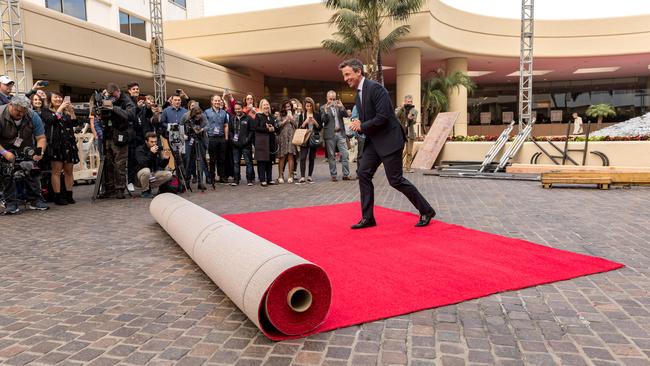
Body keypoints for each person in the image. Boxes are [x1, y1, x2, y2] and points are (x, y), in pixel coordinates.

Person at [340, 58, 435, 228]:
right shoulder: (359, 94)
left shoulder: (376, 89)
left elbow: (383, 117)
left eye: (348, 74)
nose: (346, 78)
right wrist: (358, 125)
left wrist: (362, 125)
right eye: (344, 75)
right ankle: (368, 218)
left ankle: (426, 210)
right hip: (374, 142)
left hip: (390, 141)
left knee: (395, 180)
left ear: (358, 71)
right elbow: (367, 119)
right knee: (363, 173)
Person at [0, 96, 49, 214]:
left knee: (32, 168)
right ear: (10, 105)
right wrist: (5, 153)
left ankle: (35, 200)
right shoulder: (0, 114)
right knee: (7, 172)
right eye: (18, 111)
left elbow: (41, 137)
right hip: (3, 148)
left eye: (24, 111)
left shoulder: (32, 116)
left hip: (25, 147)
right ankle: (10, 203)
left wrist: (39, 152)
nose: (21, 114)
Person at [41, 91, 79, 205]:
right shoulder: (46, 111)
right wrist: (60, 109)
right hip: (57, 145)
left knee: (69, 171)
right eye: (55, 97)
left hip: (69, 144)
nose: (58, 99)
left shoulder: (66, 111)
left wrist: (71, 111)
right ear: (50, 99)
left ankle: (69, 194)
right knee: (56, 171)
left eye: (60, 97)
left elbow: (75, 123)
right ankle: (57, 196)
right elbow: (51, 120)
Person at [99, 82, 136, 199]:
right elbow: (104, 116)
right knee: (108, 163)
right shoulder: (108, 99)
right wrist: (102, 108)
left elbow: (130, 115)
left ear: (118, 91)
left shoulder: (127, 100)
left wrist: (113, 107)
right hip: (108, 135)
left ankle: (120, 189)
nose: (113, 97)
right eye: (110, 95)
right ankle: (109, 189)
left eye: (114, 95)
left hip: (121, 136)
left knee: (120, 164)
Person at [321, 90, 351, 181]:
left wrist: (342, 107)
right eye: (330, 99)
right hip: (330, 134)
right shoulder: (323, 107)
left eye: (334, 99)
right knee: (331, 156)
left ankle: (346, 174)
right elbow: (323, 120)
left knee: (345, 154)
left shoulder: (339, 106)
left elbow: (346, 115)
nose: (332, 101)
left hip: (340, 134)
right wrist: (326, 111)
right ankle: (333, 175)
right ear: (327, 98)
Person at [135, 132, 172, 198]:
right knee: (146, 171)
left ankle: (158, 188)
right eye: (151, 142)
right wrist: (151, 153)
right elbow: (143, 164)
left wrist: (166, 159)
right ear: (146, 141)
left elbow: (161, 165)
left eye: (155, 142)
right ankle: (145, 191)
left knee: (168, 174)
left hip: (152, 175)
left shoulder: (156, 149)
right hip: (139, 178)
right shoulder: (139, 150)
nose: (154, 144)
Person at [181, 105, 208, 191]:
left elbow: (208, 126)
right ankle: (187, 182)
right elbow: (180, 126)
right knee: (188, 160)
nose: (198, 117)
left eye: (199, 115)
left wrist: (202, 129)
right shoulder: (186, 116)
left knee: (200, 161)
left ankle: (201, 182)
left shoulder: (202, 116)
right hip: (189, 140)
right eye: (196, 116)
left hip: (199, 140)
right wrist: (183, 135)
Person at [204, 94, 230, 184]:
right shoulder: (206, 112)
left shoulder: (224, 112)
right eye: (216, 100)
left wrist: (226, 137)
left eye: (219, 100)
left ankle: (222, 176)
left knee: (222, 159)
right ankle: (212, 177)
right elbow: (203, 125)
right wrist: (206, 136)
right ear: (212, 101)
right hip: (211, 138)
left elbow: (226, 125)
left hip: (222, 138)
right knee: (212, 159)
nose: (217, 102)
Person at [296, 97, 321, 184]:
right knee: (302, 157)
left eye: (310, 106)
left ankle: (309, 176)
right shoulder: (301, 115)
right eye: (307, 106)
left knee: (312, 158)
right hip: (304, 138)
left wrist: (315, 122)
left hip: (313, 137)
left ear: (312, 106)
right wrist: (305, 122)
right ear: (304, 106)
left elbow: (320, 127)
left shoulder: (317, 115)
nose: (309, 107)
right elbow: (299, 128)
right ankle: (302, 176)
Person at [230, 100, 255, 186]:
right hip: (235, 145)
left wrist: (247, 140)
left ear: (242, 109)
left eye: (239, 109)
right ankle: (236, 180)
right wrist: (233, 140)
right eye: (236, 109)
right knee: (236, 162)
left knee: (248, 162)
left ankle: (249, 180)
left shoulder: (248, 118)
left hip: (246, 145)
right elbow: (230, 131)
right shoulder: (232, 118)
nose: (237, 110)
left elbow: (252, 131)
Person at [254, 99, 277, 187]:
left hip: (270, 141)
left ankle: (269, 179)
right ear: (261, 106)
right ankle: (262, 179)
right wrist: (267, 129)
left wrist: (273, 128)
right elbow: (256, 128)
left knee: (269, 161)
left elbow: (275, 128)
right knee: (262, 161)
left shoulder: (272, 116)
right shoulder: (258, 115)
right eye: (264, 105)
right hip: (262, 142)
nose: (266, 106)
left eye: (267, 104)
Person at [276, 100, 298, 184]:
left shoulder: (295, 115)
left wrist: (291, 118)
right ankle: (280, 176)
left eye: (289, 106)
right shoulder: (280, 115)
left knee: (290, 156)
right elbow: (277, 125)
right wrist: (285, 120)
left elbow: (297, 125)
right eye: (286, 107)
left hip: (292, 137)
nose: (288, 108)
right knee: (282, 156)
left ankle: (290, 175)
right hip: (283, 138)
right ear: (283, 108)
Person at [396, 95, 419, 172]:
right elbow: (395, 116)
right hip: (401, 133)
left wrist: (411, 119)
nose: (409, 103)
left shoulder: (414, 111)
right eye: (408, 101)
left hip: (409, 134)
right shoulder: (400, 109)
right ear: (405, 101)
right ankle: (397, 167)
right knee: (399, 151)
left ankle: (408, 168)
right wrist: (401, 107)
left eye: (411, 101)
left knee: (409, 152)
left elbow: (415, 121)